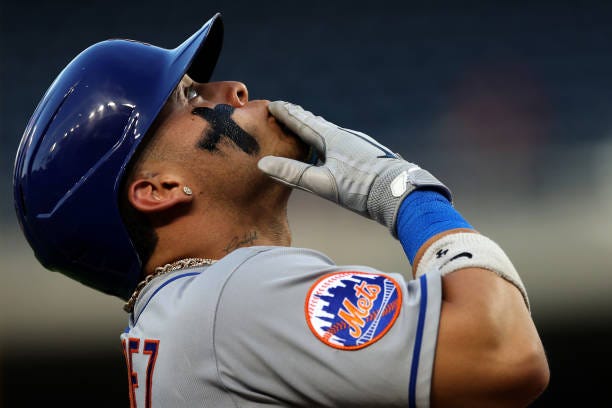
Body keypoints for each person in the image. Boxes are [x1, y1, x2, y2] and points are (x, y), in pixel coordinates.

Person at [13, 12, 549, 408]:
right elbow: (501, 353)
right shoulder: (234, 298)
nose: (234, 89)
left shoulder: (186, 315)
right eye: (192, 97)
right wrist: (406, 194)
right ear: (159, 188)